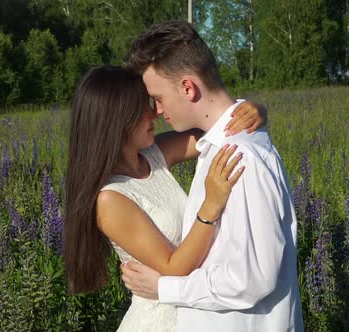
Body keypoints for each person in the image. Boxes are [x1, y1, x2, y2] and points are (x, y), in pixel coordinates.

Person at [120, 20, 304, 331]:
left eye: (159, 98)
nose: (158, 110)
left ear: (188, 87)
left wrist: (165, 288)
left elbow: (254, 277)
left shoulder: (239, 158)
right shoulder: (219, 145)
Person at [63, 65, 267, 331]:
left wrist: (254, 111)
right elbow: (174, 268)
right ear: (118, 120)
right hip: (159, 322)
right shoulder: (110, 200)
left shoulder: (154, 154)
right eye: (144, 107)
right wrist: (211, 204)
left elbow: (219, 130)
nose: (155, 113)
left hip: (194, 312)